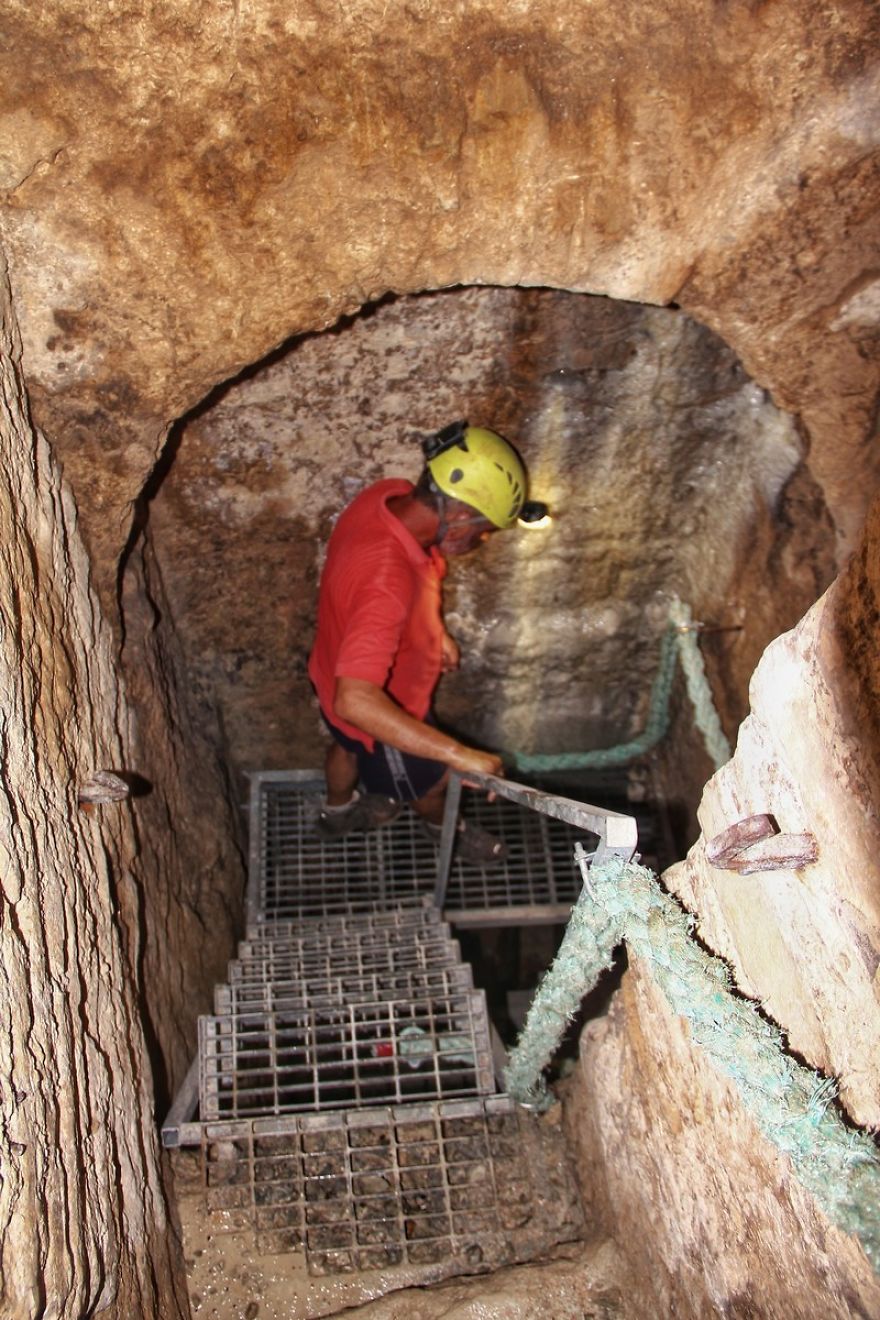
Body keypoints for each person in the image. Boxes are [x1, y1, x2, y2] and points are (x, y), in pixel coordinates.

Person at [307, 420, 528, 865]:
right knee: (429, 784)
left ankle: (336, 813)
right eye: (484, 529)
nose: (483, 539)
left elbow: (408, 579)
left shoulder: (387, 497)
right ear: (459, 516)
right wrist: (457, 755)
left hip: (329, 668)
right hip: (385, 713)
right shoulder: (386, 582)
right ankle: (443, 831)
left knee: (346, 744)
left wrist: (433, 631)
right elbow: (357, 701)